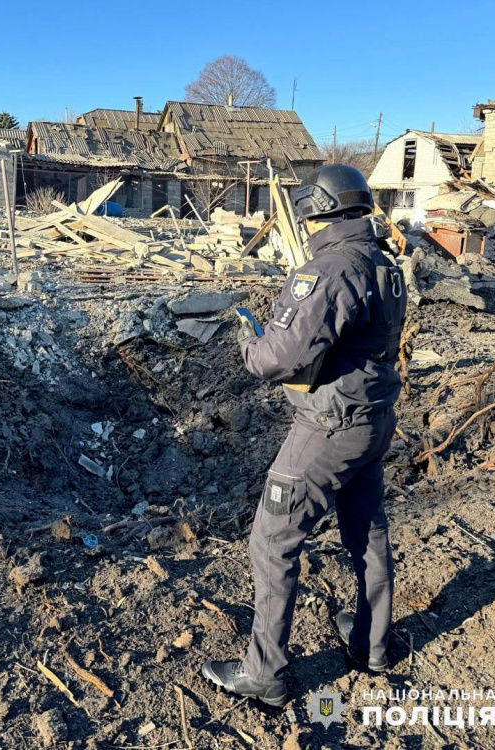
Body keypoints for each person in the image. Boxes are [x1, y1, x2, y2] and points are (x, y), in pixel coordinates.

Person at [201, 165, 407, 707]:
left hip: (328, 427)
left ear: (319, 210)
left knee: (272, 539)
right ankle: (371, 643)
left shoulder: (329, 269)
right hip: (373, 420)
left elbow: (279, 358)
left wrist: (251, 342)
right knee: (367, 532)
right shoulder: (384, 264)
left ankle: (264, 673)